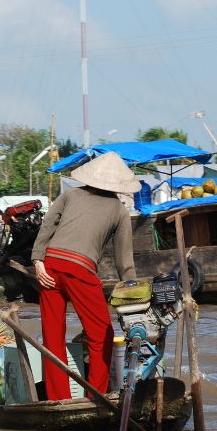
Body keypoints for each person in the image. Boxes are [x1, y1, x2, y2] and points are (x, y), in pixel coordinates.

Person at [30, 152, 138, 400]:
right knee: (102, 334)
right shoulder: (118, 210)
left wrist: (37, 261)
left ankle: (59, 398)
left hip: (50, 266)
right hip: (79, 269)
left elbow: (47, 226)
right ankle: (97, 395)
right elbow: (124, 261)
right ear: (119, 186)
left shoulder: (69, 195)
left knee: (53, 335)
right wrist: (133, 292)